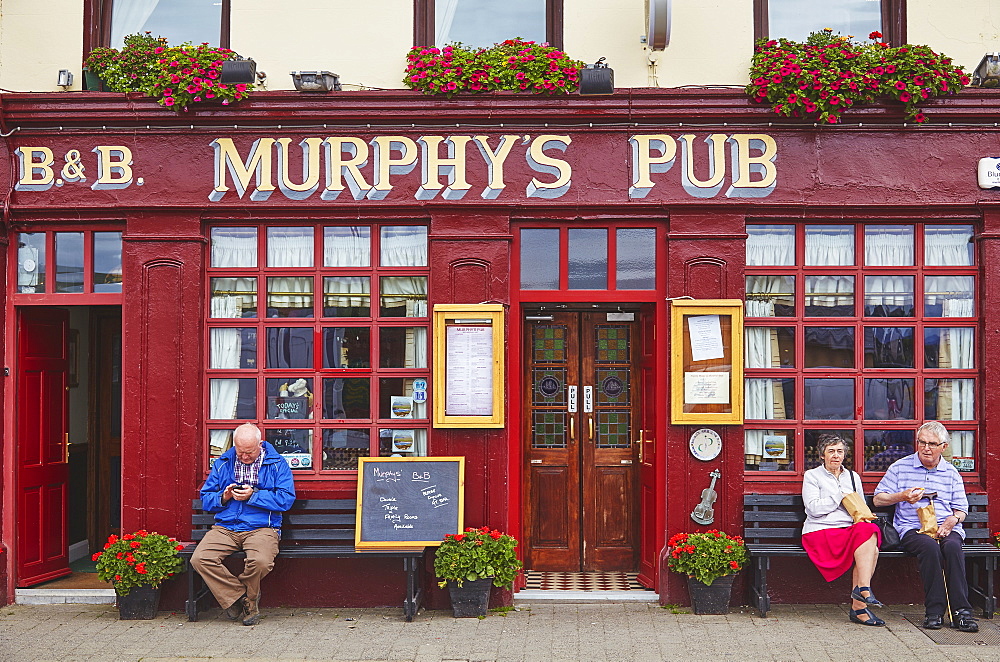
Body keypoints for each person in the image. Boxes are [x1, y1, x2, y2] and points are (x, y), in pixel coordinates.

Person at [873, 421, 979, 633]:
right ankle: (935, 611)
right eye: (922, 442)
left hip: (946, 526)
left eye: (932, 444)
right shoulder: (900, 468)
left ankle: (961, 612)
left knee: (952, 548)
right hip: (913, 527)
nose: (926, 448)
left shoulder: (951, 473)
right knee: (929, 547)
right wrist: (901, 496)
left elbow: (961, 508)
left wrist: (953, 520)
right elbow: (878, 499)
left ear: (943, 447)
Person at [191, 423, 296, 626]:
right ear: (234, 445)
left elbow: (285, 499)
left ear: (260, 444)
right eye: (240, 452)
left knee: (260, 562)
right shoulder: (223, 462)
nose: (245, 457)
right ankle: (241, 598)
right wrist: (224, 496)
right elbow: (206, 498)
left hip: (262, 528)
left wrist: (254, 495)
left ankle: (244, 600)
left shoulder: (276, 464)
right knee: (201, 559)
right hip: (226, 527)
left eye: (249, 452)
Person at [801, 434, 884, 626]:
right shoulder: (812, 476)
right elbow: (813, 509)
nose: (835, 456)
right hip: (820, 531)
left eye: (839, 451)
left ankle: (861, 594)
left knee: (869, 530)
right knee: (872, 548)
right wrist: (838, 495)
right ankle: (860, 604)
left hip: (847, 529)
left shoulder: (853, 477)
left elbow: (860, 507)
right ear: (822, 454)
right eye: (831, 451)